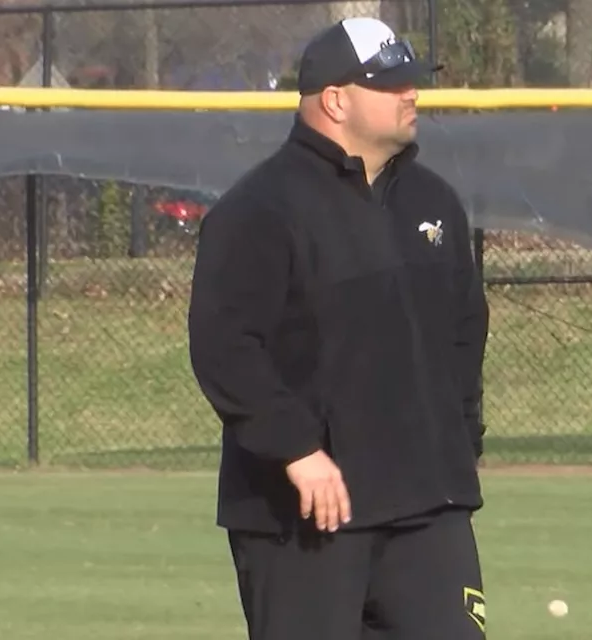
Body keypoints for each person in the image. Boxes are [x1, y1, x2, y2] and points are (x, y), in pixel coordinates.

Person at [187, 16, 490, 640]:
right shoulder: (260, 210)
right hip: (304, 517)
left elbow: (464, 334)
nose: (412, 94)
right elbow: (225, 344)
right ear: (334, 100)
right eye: (391, 83)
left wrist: (460, 442)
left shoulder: (434, 203)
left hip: (428, 509)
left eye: (413, 80)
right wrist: (296, 450)